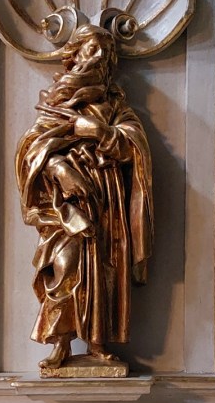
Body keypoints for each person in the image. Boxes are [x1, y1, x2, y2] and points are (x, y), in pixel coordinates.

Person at [15, 23, 153, 372]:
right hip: (66, 205)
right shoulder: (56, 102)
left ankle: (97, 342)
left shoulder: (114, 105)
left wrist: (98, 131)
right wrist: (59, 168)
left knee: (104, 270)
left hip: (107, 200)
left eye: (106, 55)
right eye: (92, 50)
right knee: (66, 267)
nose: (99, 58)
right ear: (74, 55)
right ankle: (60, 341)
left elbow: (134, 147)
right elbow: (31, 148)